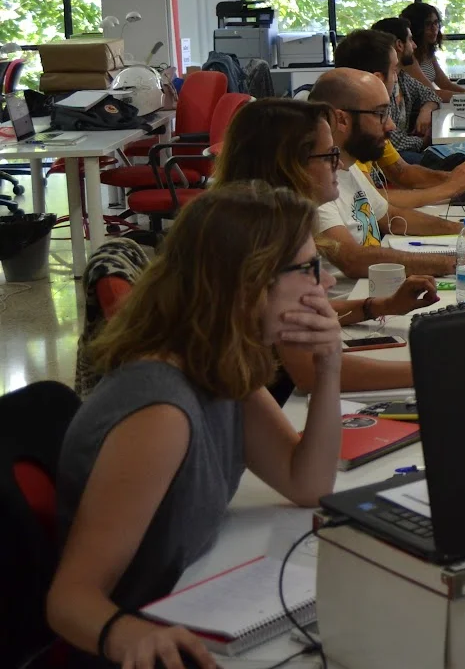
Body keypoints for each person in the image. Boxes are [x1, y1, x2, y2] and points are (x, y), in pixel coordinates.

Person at [47, 184, 343, 669]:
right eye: (309, 268)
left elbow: (307, 484)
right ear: (250, 284)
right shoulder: (159, 414)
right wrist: (129, 635)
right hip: (153, 646)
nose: (325, 282)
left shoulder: (218, 364)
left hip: (197, 602)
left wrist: (328, 367)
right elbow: (70, 599)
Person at [213, 98, 441, 394]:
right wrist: (436, 368)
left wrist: (380, 306)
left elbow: (297, 315)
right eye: (331, 155)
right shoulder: (266, 238)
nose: (341, 164)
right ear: (291, 165)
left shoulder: (266, 219)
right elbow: (310, 371)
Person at [306, 69, 465, 279]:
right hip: (360, 297)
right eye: (380, 114)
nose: (391, 125)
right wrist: (459, 261)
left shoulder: (349, 164)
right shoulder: (314, 182)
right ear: (341, 120)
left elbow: (391, 218)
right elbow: (352, 259)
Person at [332, 28, 465, 208]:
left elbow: (402, 172)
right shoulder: (351, 130)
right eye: (394, 70)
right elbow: (372, 201)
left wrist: (455, 178)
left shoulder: (367, 117)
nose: (397, 77)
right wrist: (449, 188)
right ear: (377, 78)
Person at [371, 16, 440, 158]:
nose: (414, 46)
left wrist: (426, 110)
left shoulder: (401, 77)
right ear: (399, 45)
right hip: (391, 157)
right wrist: (424, 140)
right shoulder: (380, 83)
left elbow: (431, 93)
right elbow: (393, 141)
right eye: (410, 39)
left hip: (408, 150)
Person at [400, 2, 465, 102]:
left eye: (436, 23)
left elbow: (446, 84)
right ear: (416, 28)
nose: (434, 28)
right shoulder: (408, 57)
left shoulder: (427, 52)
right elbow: (430, 93)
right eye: (428, 24)